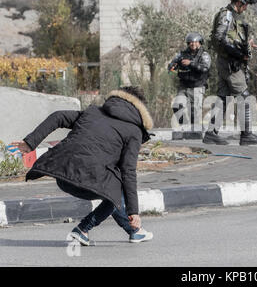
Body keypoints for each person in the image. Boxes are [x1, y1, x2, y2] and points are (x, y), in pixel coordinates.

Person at [10, 86, 154, 245]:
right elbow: (128, 171)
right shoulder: (133, 131)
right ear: (139, 110)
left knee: (112, 191)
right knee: (116, 190)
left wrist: (30, 143)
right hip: (88, 181)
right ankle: (83, 229)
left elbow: (58, 116)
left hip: (63, 174)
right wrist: (134, 211)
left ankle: (134, 232)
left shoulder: (93, 112)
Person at [203, 0, 257, 146]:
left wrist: (246, 46)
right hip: (230, 64)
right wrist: (238, 54)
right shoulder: (227, 15)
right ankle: (246, 134)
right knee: (244, 97)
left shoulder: (232, 16)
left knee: (223, 98)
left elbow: (230, 38)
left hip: (228, 62)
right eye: (245, 3)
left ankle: (211, 133)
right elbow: (220, 39)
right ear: (239, 1)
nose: (246, 7)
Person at [168, 32, 211, 131]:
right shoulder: (181, 54)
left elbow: (205, 68)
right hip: (183, 86)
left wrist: (191, 63)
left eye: (195, 42)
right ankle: (184, 125)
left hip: (197, 86)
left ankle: (196, 131)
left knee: (194, 112)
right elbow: (172, 63)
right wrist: (172, 66)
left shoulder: (204, 55)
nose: (193, 44)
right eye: (191, 42)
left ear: (200, 43)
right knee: (177, 105)